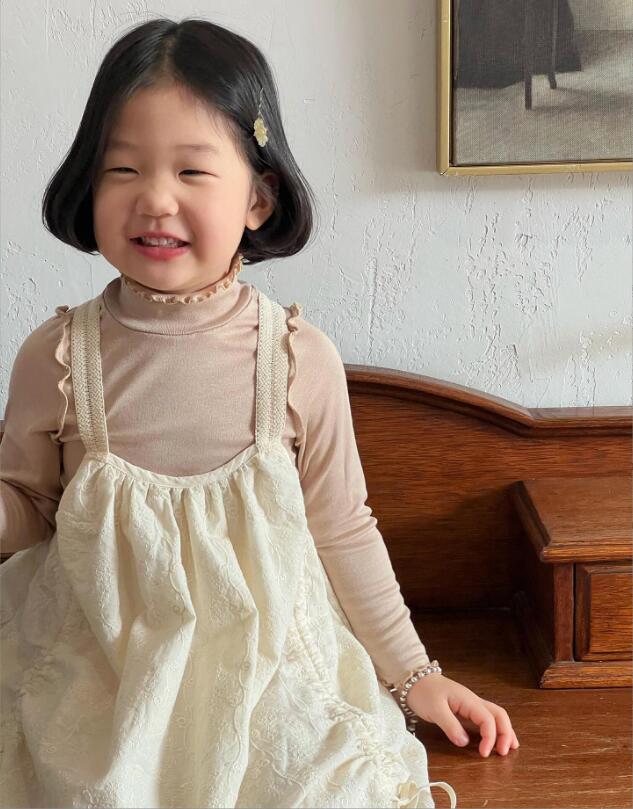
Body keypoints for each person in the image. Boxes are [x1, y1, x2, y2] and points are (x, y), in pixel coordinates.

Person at [0, 16, 518, 809]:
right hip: (99, 663)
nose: (155, 198)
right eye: (122, 168)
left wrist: (415, 674)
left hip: (271, 667)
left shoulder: (297, 360)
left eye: (192, 171)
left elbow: (342, 528)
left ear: (258, 196)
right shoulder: (60, 357)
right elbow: (29, 507)